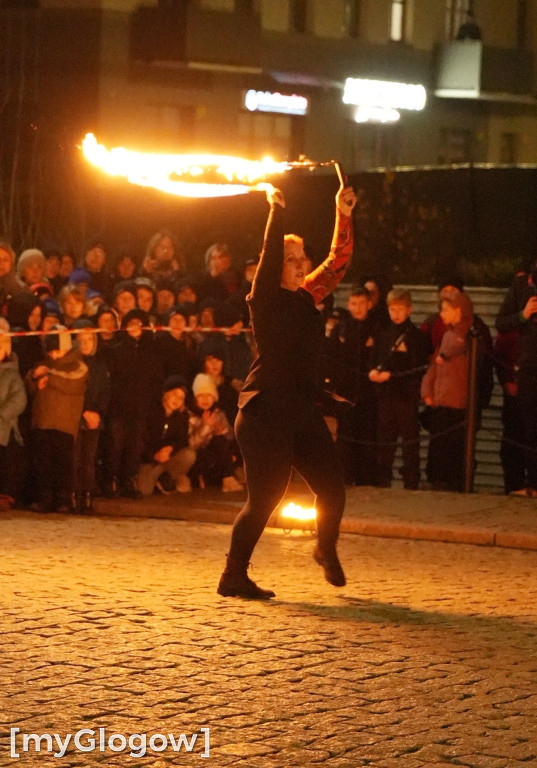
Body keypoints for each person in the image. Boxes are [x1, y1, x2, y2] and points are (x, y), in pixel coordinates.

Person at [217, 181, 357, 600]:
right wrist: (275, 210)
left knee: (332, 489)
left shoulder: (306, 294)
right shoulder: (265, 299)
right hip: (264, 416)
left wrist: (342, 212)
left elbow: (337, 263)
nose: (300, 265)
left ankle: (325, 548)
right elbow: (268, 259)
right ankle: (233, 576)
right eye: (290, 259)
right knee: (264, 501)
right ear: (276, 264)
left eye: (301, 259)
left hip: (300, 412)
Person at [369, 289, 429, 490]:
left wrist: (392, 376)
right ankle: (382, 480)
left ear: (409, 309)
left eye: (399, 309)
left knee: (409, 441)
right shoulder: (383, 334)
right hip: (385, 395)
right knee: (385, 439)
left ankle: (411, 482)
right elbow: (375, 359)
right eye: (391, 309)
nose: (395, 313)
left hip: (406, 395)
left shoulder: (416, 336)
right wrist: (373, 373)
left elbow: (418, 367)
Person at [26, 325, 88, 513]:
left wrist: (48, 377)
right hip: (42, 422)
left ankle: (63, 499)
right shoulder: (43, 364)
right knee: (43, 463)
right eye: (51, 351)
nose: (53, 355)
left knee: (63, 464)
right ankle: (44, 498)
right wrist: (33, 377)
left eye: (57, 350)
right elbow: (30, 386)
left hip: (64, 424)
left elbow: (73, 382)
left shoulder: (79, 366)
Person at [421, 291, 474, 491]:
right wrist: (428, 391)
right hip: (441, 401)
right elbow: (435, 365)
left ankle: (449, 482)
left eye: (445, 310)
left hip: (456, 402)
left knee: (451, 447)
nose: (441, 314)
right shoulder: (448, 335)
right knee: (439, 446)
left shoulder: (465, 336)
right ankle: (438, 480)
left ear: (457, 310)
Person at [496, 260, 537, 497]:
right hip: (529, 366)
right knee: (529, 427)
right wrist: (523, 314)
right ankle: (532, 483)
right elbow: (501, 322)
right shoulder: (521, 286)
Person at [138, 376, 196, 495]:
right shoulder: (151, 411)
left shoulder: (181, 417)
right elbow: (141, 439)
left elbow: (183, 439)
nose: (177, 399)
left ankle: (167, 477)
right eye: (174, 394)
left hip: (168, 457)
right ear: (166, 393)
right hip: (149, 459)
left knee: (189, 455)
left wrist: (171, 449)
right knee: (144, 490)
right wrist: (154, 455)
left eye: (181, 398)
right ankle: (159, 478)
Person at [0, 318, 27, 510]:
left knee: (5, 462)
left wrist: (2, 413)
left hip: (4, 426)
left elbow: (19, 400)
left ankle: (4, 494)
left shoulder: (12, 375)